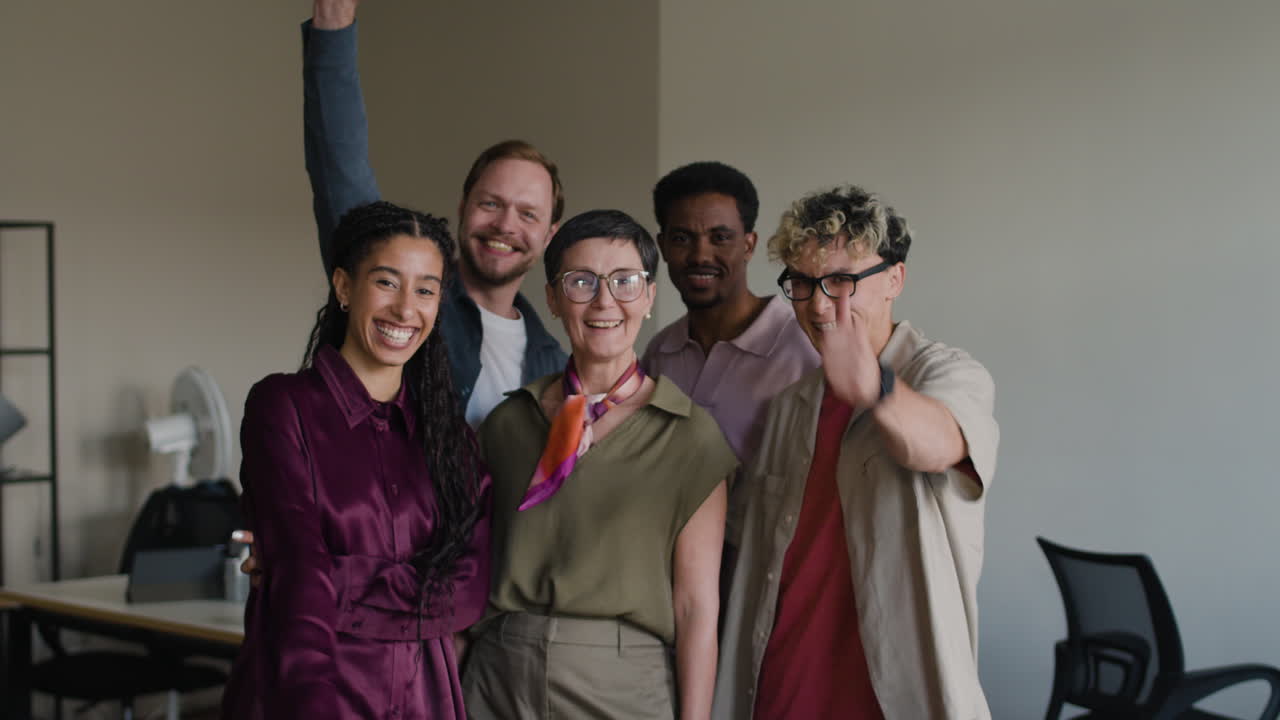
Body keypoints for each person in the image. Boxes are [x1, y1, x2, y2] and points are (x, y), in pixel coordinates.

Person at [713, 186, 1000, 719]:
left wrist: (876, 388)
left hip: (892, 699)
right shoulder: (788, 405)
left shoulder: (947, 374)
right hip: (777, 691)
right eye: (801, 282)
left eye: (842, 281)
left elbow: (937, 444)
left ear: (895, 280)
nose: (820, 304)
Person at [222, 201, 492, 720]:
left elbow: (468, 589)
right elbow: (301, 566)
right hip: (308, 692)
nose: (405, 309)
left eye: (426, 290)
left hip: (424, 697)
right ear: (345, 287)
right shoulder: (282, 407)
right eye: (387, 282)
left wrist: (338, 578)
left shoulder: (449, 435)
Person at [464, 210, 735, 719]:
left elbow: (696, 610)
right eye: (580, 282)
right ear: (552, 297)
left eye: (625, 281)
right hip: (497, 678)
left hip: (621, 684)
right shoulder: (506, 424)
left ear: (650, 297)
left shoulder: (689, 436)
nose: (604, 300)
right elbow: (469, 573)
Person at [304, 0, 566, 426]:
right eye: (491, 203)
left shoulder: (553, 361)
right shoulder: (410, 302)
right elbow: (340, 170)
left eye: (528, 214)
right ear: (463, 208)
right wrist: (333, 28)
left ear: (549, 234)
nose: (505, 225)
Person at [642, 161, 818, 466]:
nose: (701, 255)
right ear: (663, 247)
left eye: (720, 238)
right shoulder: (659, 353)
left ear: (749, 245)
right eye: (682, 238)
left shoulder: (803, 350)